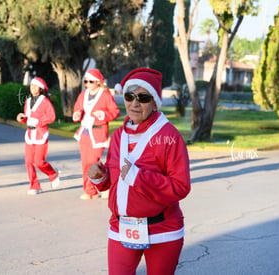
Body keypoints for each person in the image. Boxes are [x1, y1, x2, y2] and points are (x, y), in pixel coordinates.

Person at [88, 68, 191, 275]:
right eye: (129, 96)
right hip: (121, 227)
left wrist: (139, 177)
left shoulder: (169, 136)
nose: (135, 103)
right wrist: (101, 176)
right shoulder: (119, 135)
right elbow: (116, 177)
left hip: (162, 231)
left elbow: (181, 186)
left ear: (154, 103)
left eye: (143, 97)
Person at [72, 69, 119, 200]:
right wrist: (76, 114)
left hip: (98, 133)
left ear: (98, 82)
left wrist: (103, 115)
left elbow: (115, 112)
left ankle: (105, 185)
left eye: (90, 81)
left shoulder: (105, 95)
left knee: (93, 162)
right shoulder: (83, 94)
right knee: (85, 163)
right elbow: (78, 108)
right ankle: (90, 191)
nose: (87, 83)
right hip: (84, 132)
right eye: (85, 81)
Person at [16, 77, 60, 195]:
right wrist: (22, 118)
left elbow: (51, 117)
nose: (33, 88)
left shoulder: (45, 101)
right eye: (31, 86)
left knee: (39, 162)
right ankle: (34, 185)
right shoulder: (27, 101)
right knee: (28, 162)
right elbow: (27, 118)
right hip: (29, 134)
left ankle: (52, 173)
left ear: (41, 89)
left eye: (35, 86)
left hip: (41, 134)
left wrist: (39, 121)